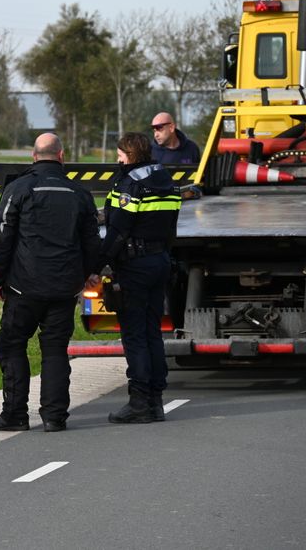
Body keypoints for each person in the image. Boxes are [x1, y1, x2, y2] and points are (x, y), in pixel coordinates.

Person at [0, 133, 99, 433]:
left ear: (33, 157)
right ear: (62, 156)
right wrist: (89, 272)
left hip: (24, 286)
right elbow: (91, 240)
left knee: (11, 346)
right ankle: (54, 416)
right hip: (64, 288)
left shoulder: (17, 189)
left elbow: (2, 234)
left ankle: (15, 414)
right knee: (56, 350)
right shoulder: (80, 193)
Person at [95, 132, 182, 424]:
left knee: (134, 334)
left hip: (135, 266)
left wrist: (99, 264)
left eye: (120, 154)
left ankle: (139, 402)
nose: (117, 159)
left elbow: (118, 231)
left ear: (130, 155)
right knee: (152, 331)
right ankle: (155, 401)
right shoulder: (167, 181)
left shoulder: (130, 184)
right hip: (160, 262)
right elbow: (171, 228)